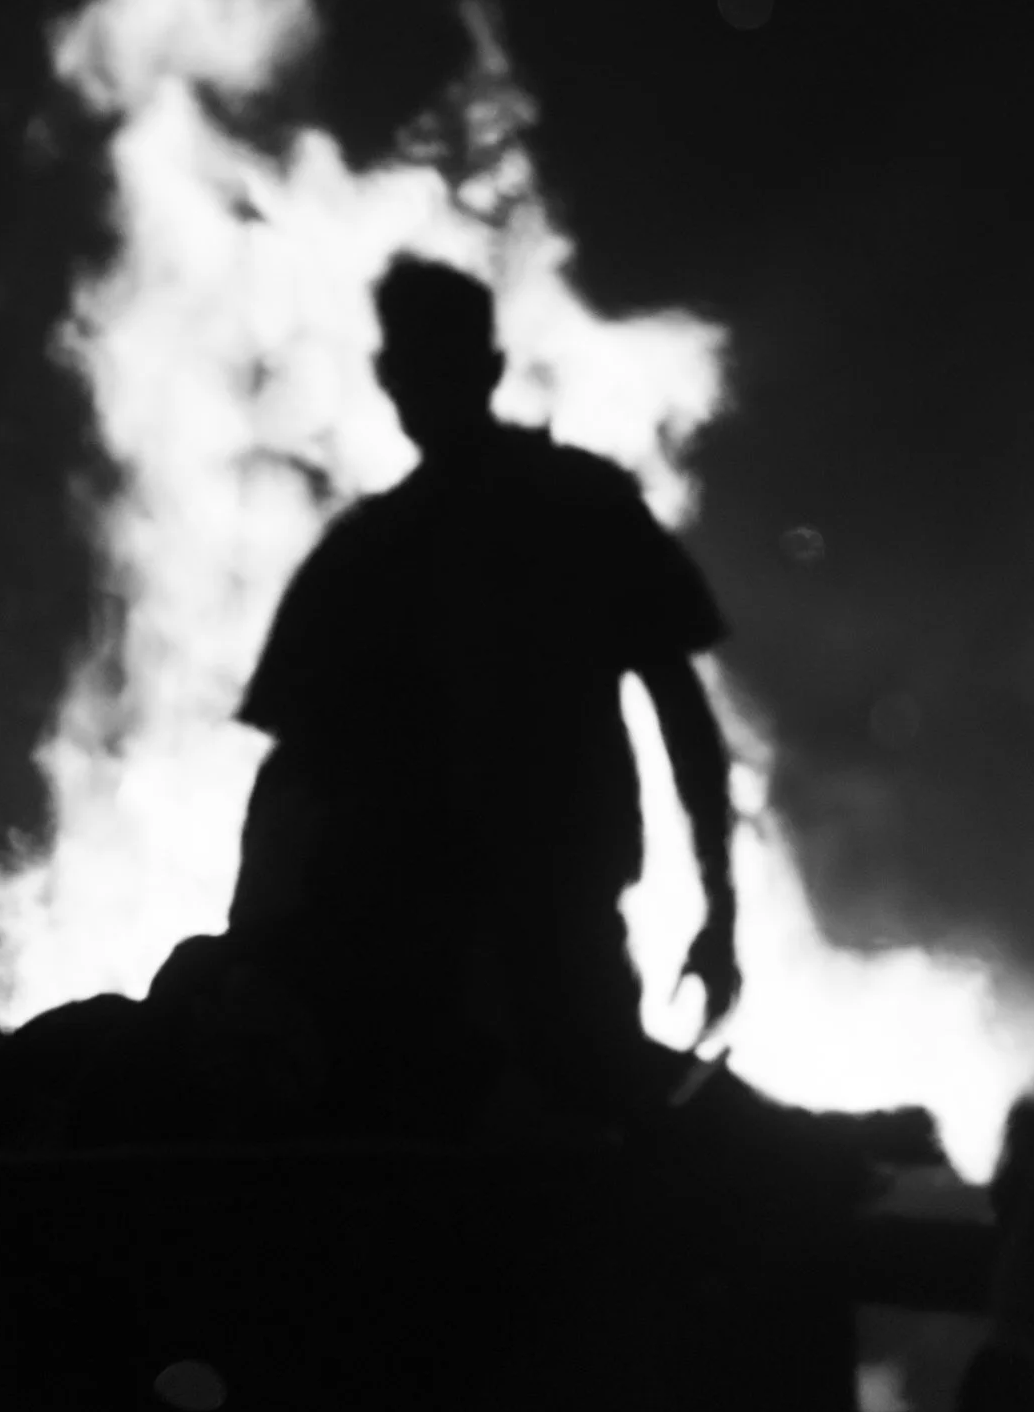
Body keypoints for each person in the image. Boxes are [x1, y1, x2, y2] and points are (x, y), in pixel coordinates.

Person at [227, 254, 741, 1135]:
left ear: (392, 376)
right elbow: (683, 715)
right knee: (586, 1181)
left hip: (426, 970)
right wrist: (719, 909)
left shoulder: (364, 557)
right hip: (511, 949)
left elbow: (287, 793)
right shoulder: (583, 509)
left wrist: (251, 971)